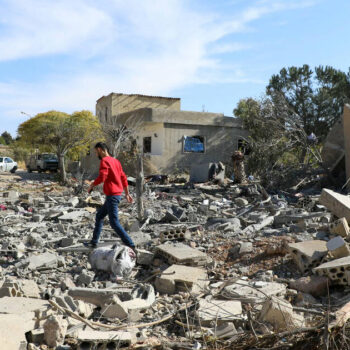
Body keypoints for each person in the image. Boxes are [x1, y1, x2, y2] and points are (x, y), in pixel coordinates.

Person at [84, 142, 135, 251]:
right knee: (99, 216)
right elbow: (124, 178)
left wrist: (92, 185)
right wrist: (127, 193)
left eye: (95, 152)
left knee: (114, 222)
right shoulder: (116, 161)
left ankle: (130, 244)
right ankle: (94, 242)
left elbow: (102, 177)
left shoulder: (105, 161)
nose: (96, 154)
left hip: (112, 195)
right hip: (115, 195)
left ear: (100, 150)